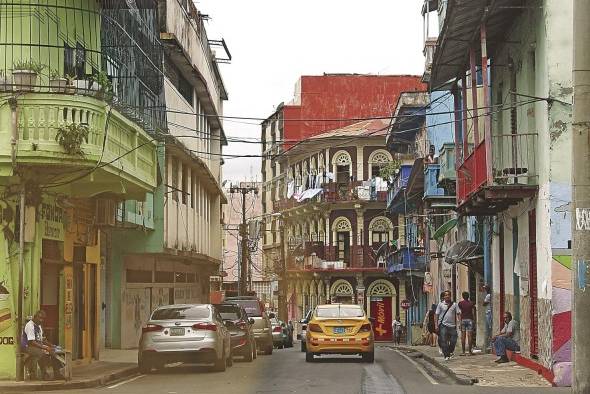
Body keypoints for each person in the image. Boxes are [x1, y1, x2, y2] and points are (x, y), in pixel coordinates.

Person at [22, 310, 64, 380]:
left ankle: (57, 374)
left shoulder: (39, 326)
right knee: (41, 353)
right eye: (40, 318)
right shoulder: (30, 325)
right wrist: (44, 348)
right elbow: (32, 342)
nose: (41, 320)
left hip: (36, 346)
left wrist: (51, 345)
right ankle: (44, 374)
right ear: (35, 317)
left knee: (53, 351)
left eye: (43, 319)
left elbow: (42, 340)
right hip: (28, 347)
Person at [435, 291, 460, 360]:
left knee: (454, 340)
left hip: (452, 325)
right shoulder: (440, 304)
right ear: (444, 297)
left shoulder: (455, 304)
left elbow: (458, 314)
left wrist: (460, 323)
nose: (447, 296)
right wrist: (436, 325)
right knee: (443, 340)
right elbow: (436, 315)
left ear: (450, 296)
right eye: (446, 295)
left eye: (448, 295)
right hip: (443, 325)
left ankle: (450, 351)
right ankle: (446, 355)